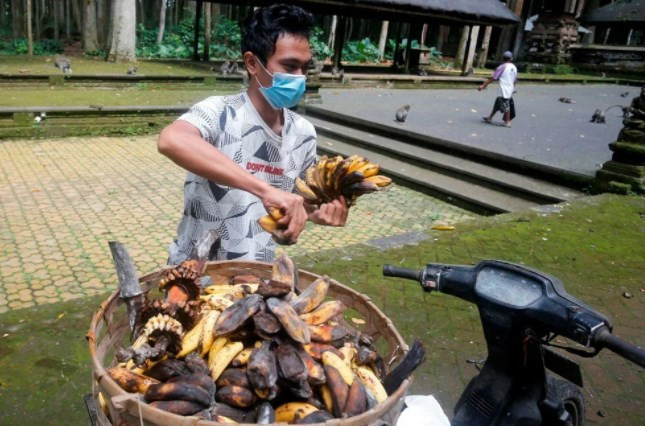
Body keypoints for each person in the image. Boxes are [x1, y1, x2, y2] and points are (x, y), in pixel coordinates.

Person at [157, 4, 348, 264]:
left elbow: (295, 206)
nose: (300, 77)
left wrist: (314, 214)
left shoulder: (304, 134)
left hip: (256, 278)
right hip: (193, 275)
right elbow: (171, 140)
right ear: (252, 63)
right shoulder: (218, 111)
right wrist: (264, 190)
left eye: (304, 68)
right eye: (290, 66)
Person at [479, 51, 518, 128]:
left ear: (503, 58)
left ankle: (507, 122)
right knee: (497, 103)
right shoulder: (514, 67)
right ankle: (489, 118)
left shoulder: (502, 67)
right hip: (509, 89)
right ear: (511, 58)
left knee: (506, 105)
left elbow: (493, 78)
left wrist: (483, 85)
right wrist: (512, 88)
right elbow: (515, 80)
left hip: (503, 89)